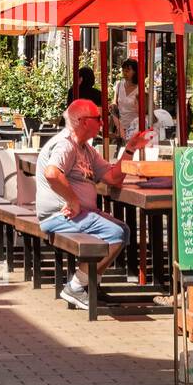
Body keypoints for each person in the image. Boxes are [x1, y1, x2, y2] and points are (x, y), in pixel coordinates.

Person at [36, 99, 152, 309]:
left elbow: (113, 178)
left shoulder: (86, 149)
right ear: (81, 121)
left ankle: (91, 286)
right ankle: (76, 286)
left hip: (78, 214)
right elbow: (52, 173)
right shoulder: (66, 144)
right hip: (58, 216)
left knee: (123, 230)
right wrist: (73, 200)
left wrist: (130, 149)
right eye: (97, 118)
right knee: (115, 233)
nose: (102, 122)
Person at [111, 59, 140, 142]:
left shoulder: (139, 89)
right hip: (120, 127)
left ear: (135, 72)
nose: (124, 73)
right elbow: (114, 103)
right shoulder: (119, 85)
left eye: (127, 71)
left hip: (135, 128)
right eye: (123, 70)